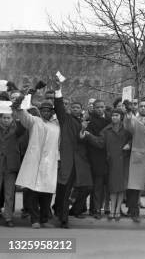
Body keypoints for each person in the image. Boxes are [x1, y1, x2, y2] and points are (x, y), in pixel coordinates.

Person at [13, 95, 60, 228]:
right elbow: (23, 114)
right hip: (34, 163)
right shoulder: (34, 121)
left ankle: (44, 219)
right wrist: (20, 101)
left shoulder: (57, 126)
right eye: (43, 110)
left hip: (49, 164)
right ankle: (34, 220)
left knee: (47, 193)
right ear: (40, 111)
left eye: (48, 110)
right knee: (32, 193)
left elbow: (59, 144)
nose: (45, 112)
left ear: (52, 112)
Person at [53, 82, 93, 229]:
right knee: (64, 192)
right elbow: (58, 106)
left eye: (78, 108)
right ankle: (63, 219)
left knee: (87, 187)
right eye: (73, 108)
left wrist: (84, 135)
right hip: (68, 161)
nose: (76, 109)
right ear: (70, 109)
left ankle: (72, 210)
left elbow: (84, 141)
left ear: (81, 110)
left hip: (81, 163)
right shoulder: (65, 119)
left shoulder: (84, 123)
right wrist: (58, 90)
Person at [81, 107, 131, 220]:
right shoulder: (106, 130)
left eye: (117, 115)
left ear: (121, 117)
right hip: (111, 162)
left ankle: (118, 210)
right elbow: (100, 143)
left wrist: (130, 144)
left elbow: (133, 139)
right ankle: (112, 210)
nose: (114, 117)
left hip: (123, 161)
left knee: (121, 186)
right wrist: (89, 135)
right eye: (113, 115)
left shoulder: (126, 131)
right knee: (113, 187)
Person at [124, 100, 145, 221]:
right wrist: (128, 111)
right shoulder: (134, 120)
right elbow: (127, 124)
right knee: (134, 185)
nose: (143, 108)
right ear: (138, 108)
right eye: (141, 106)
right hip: (137, 156)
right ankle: (134, 212)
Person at [0, 101, 25, 227]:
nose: (6, 120)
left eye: (8, 118)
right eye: (3, 118)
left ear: (12, 119)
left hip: (10, 166)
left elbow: (23, 126)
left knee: (9, 194)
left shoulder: (16, 129)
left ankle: (8, 217)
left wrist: (17, 110)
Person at [87, 99, 111, 219]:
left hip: (110, 157)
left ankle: (107, 208)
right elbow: (91, 140)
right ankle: (95, 209)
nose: (100, 109)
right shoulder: (90, 122)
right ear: (94, 108)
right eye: (97, 107)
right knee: (97, 186)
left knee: (108, 186)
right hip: (96, 157)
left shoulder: (110, 119)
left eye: (102, 107)